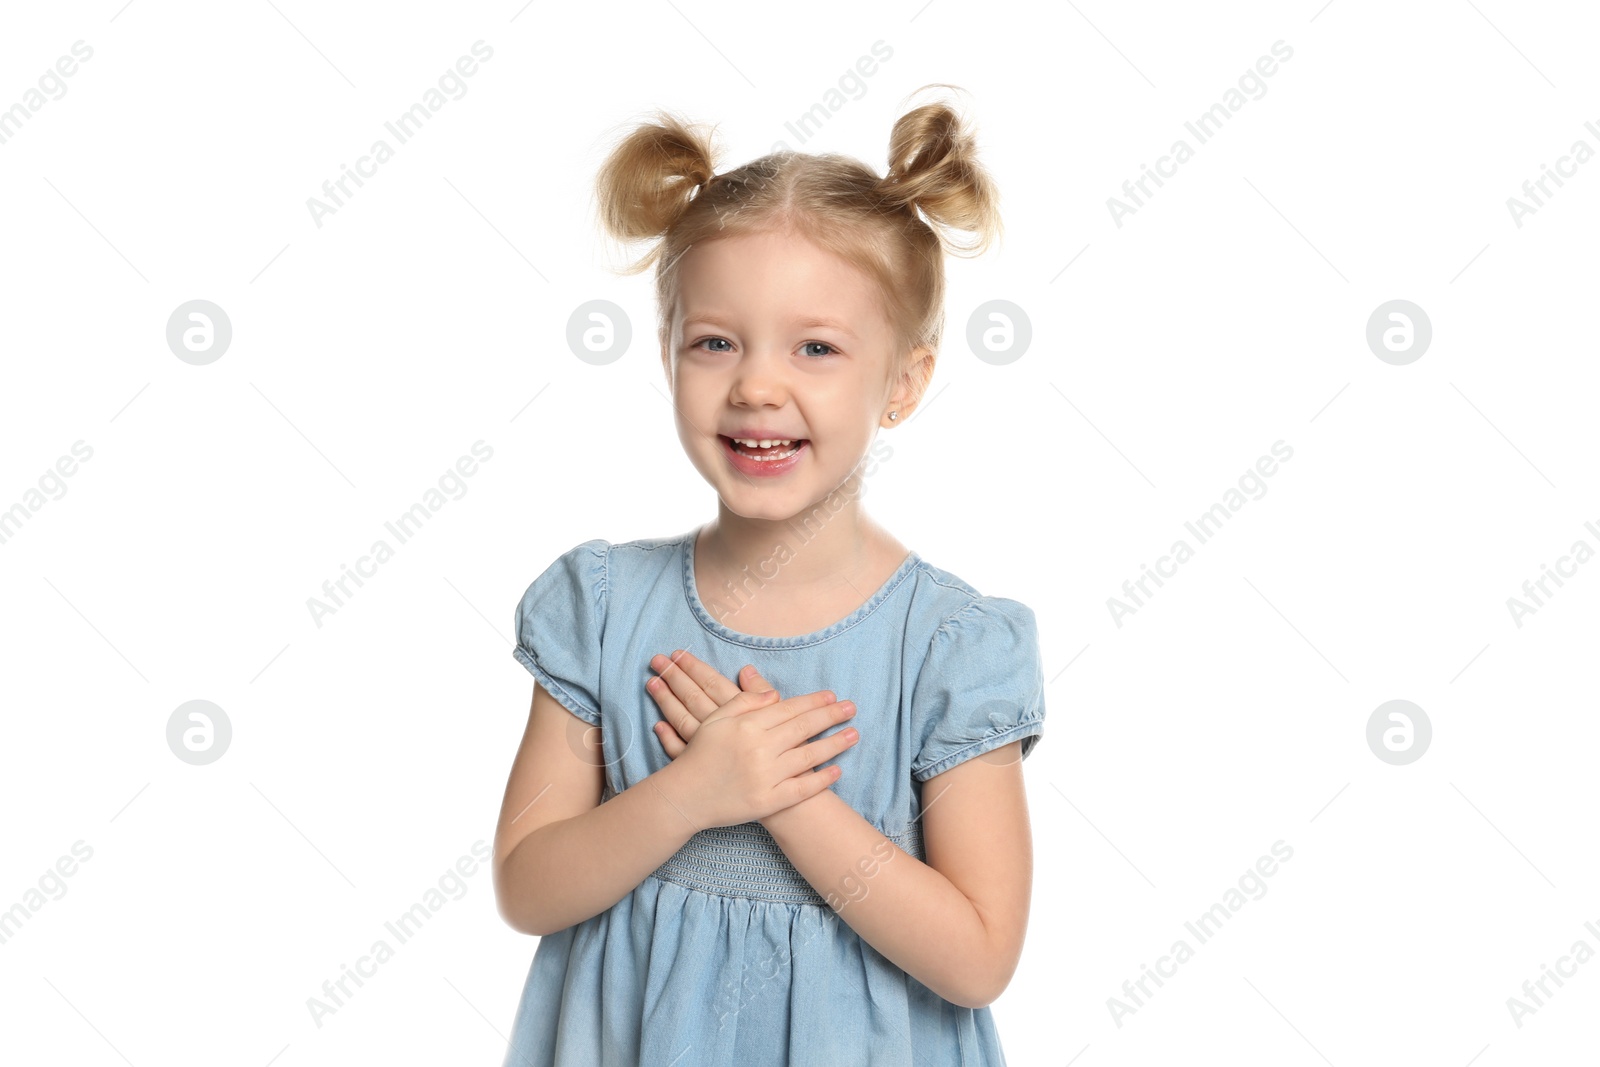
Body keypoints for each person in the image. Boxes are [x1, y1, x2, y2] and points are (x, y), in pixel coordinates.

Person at [493, 85, 1047, 1067]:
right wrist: (690, 791)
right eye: (715, 341)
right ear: (667, 358)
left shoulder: (948, 644)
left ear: (903, 384)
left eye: (817, 348)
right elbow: (528, 886)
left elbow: (976, 956)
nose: (756, 383)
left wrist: (781, 793)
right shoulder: (603, 607)